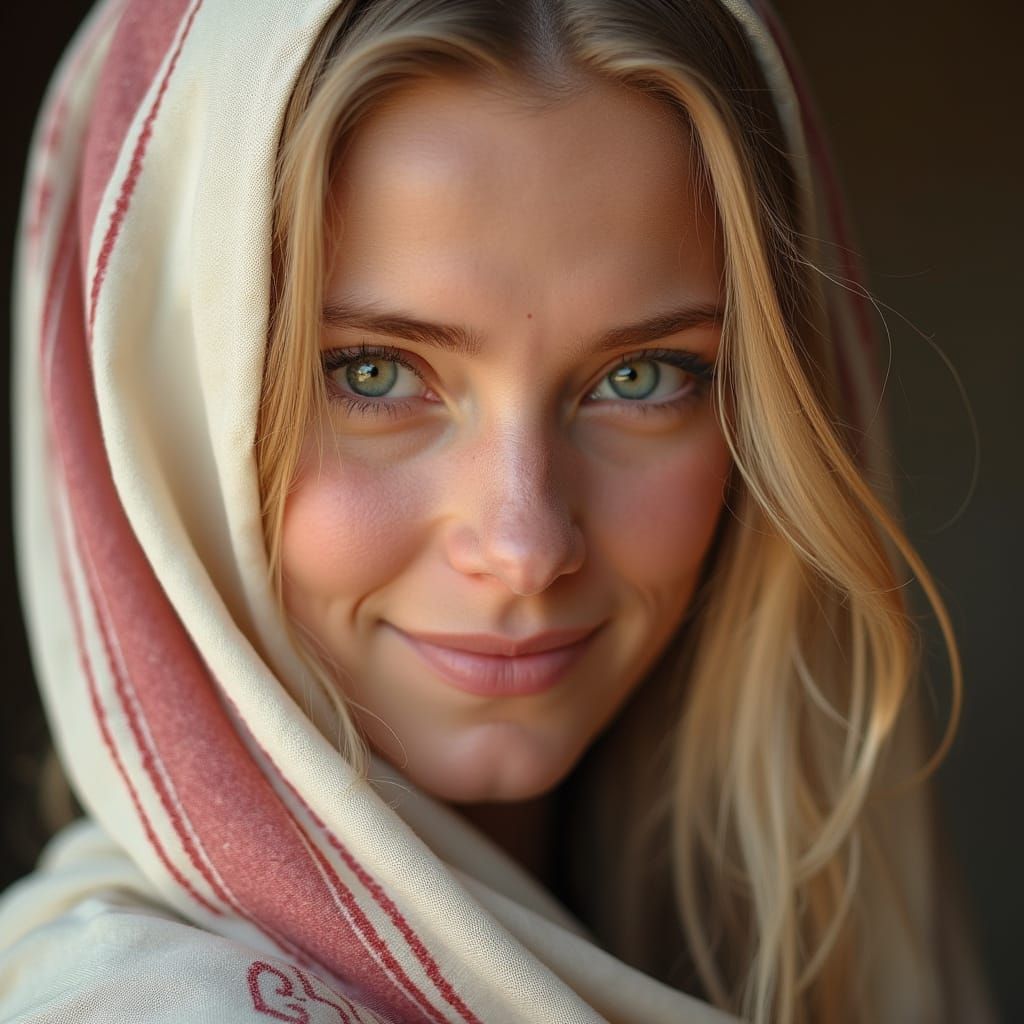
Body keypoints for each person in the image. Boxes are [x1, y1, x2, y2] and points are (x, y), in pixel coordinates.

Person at [0, 0, 996, 1021]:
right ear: (165, 419)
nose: (525, 546)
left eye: (643, 376)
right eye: (373, 373)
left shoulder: (803, 950)